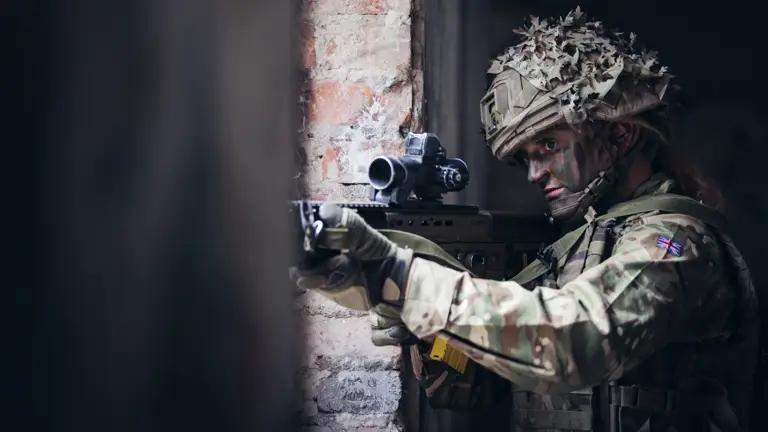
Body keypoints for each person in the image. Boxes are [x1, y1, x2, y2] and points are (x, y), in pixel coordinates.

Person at [291, 8, 760, 432]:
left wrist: (406, 280)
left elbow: (571, 341)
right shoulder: (574, 244)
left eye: (548, 148)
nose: (534, 174)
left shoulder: (678, 244)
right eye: (525, 159)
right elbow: (477, 388)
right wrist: (431, 333)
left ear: (618, 136)